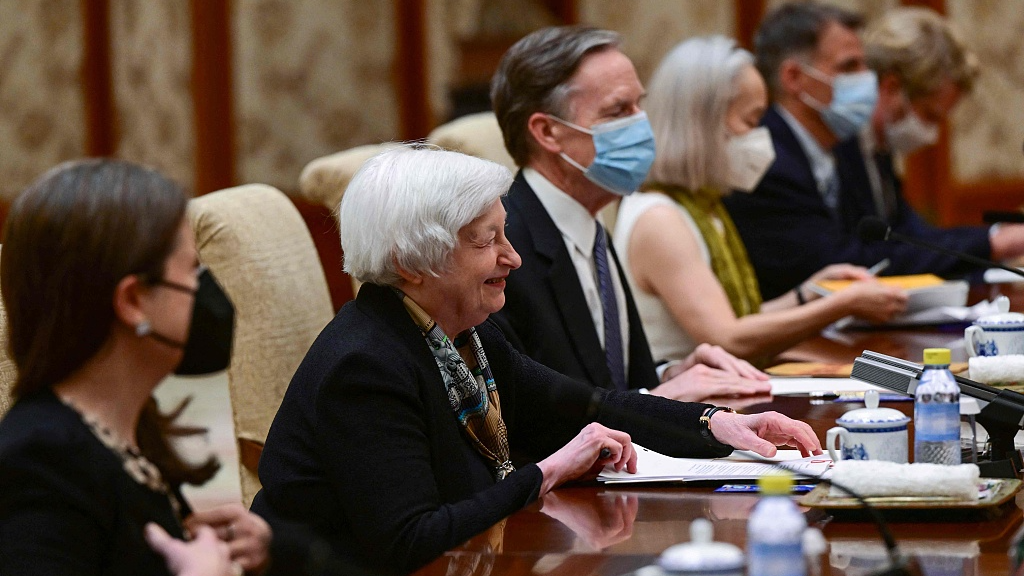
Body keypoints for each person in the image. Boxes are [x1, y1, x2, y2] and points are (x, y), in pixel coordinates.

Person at [251, 146, 821, 575]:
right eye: (487, 241)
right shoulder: (366, 366)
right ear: (410, 262)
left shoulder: (461, 332)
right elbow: (411, 539)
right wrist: (549, 471)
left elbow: (581, 405)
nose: (513, 257)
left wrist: (718, 425)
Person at [0, 160, 270, 575]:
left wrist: (271, 548)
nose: (204, 289)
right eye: (192, 269)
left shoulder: (131, 429)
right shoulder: (40, 461)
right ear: (132, 302)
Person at [489, 25, 770, 400]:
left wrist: (670, 374)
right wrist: (656, 401)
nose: (642, 124)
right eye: (619, 111)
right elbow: (529, 409)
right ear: (548, 132)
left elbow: (606, 380)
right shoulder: (504, 245)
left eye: (640, 105)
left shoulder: (591, 223)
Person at [614, 35, 907, 364]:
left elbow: (736, 318)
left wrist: (808, 292)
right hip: (682, 403)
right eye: (751, 121)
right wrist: (841, 304)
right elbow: (727, 339)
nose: (760, 137)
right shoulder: (660, 218)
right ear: (703, 125)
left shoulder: (704, 207)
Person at [722, 2, 1024, 301]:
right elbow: (841, 263)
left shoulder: (829, 146)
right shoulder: (768, 160)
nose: (869, 79)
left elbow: (910, 236)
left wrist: (992, 240)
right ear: (794, 78)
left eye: (864, 65)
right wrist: (992, 243)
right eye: (850, 66)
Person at [860, 7, 1024, 252]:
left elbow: (919, 237)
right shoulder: (839, 150)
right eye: (930, 115)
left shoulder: (879, 153)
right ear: (891, 87)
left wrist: (998, 235)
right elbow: (879, 254)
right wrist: (996, 242)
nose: (932, 135)